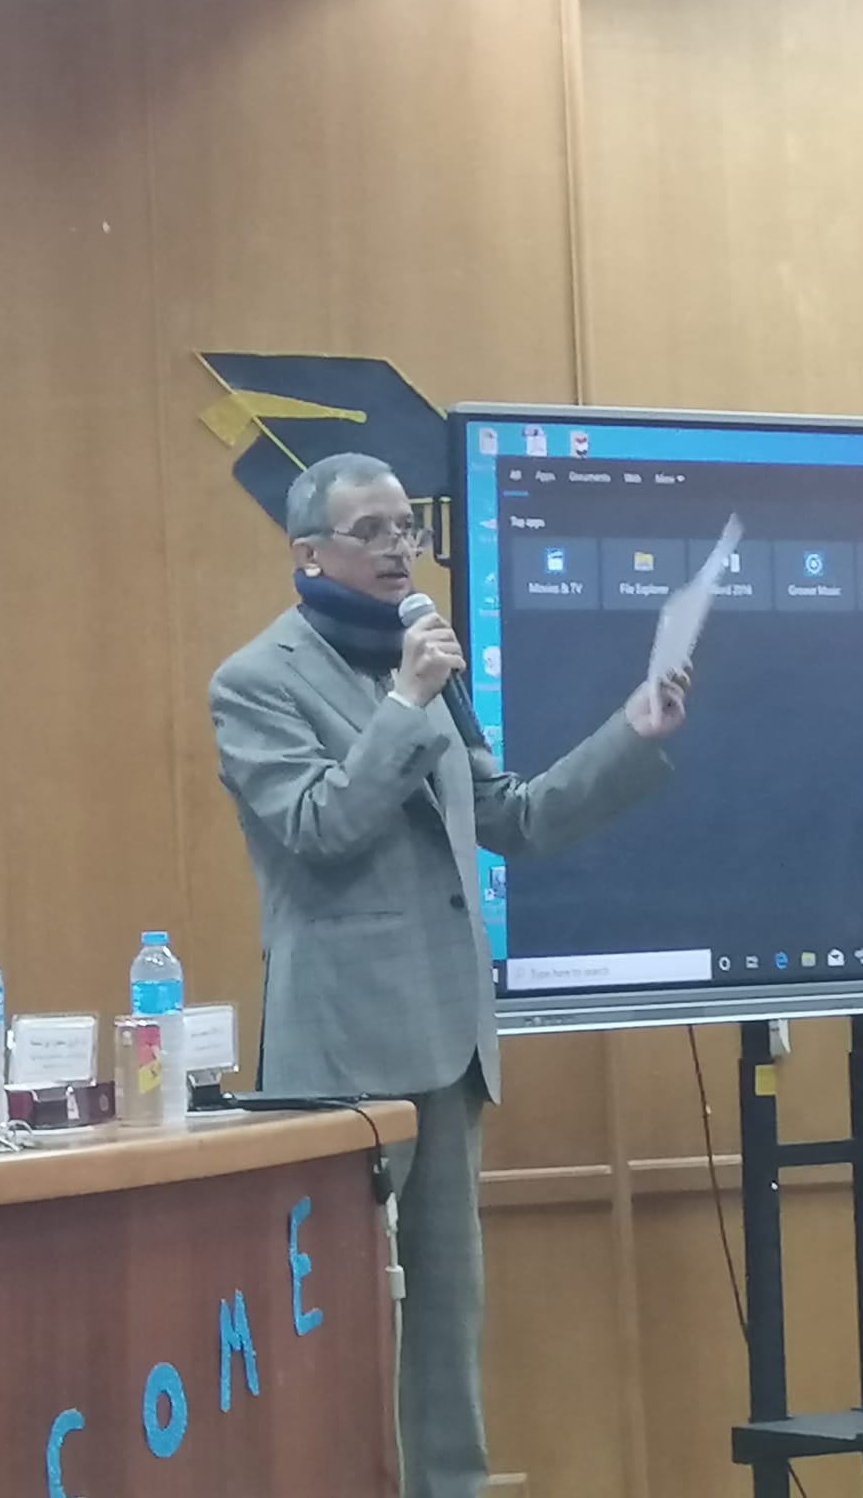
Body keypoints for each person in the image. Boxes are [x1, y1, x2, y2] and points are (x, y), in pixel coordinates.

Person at [208, 452, 689, 1498]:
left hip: (449, 1042)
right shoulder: (256, 682)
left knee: (445, 1325)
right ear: (308, 554)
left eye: (406, 529)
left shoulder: (421, 660)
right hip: (343, 1056)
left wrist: (630, 735)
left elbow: (511, 815)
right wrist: (405, 701)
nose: (398, 549)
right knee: (345, 1324)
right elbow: (318, 826)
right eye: (371, 531)